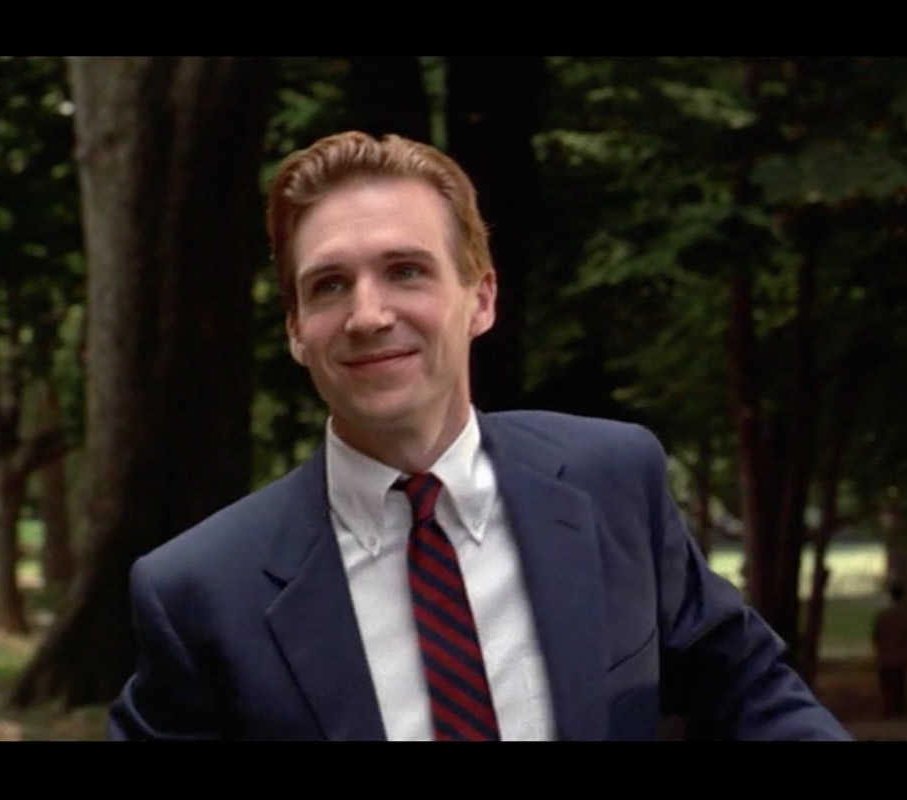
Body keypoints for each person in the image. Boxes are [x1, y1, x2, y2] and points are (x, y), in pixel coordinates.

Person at [106, 130, 852, 741]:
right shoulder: (202, 592)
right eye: (329, 285)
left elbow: (751, 693)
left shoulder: (614, 484)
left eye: (406, 271)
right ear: (297, 329)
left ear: (482, 298)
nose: (368, 315)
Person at [871, 582, 907, 719]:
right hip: (899, 657)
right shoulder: (903, 616)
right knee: (900, 685)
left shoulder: (882, 616)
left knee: (887, 686)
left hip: (885, 657)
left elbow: (876, 636)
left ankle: (888, 710)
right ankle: (899, 711)